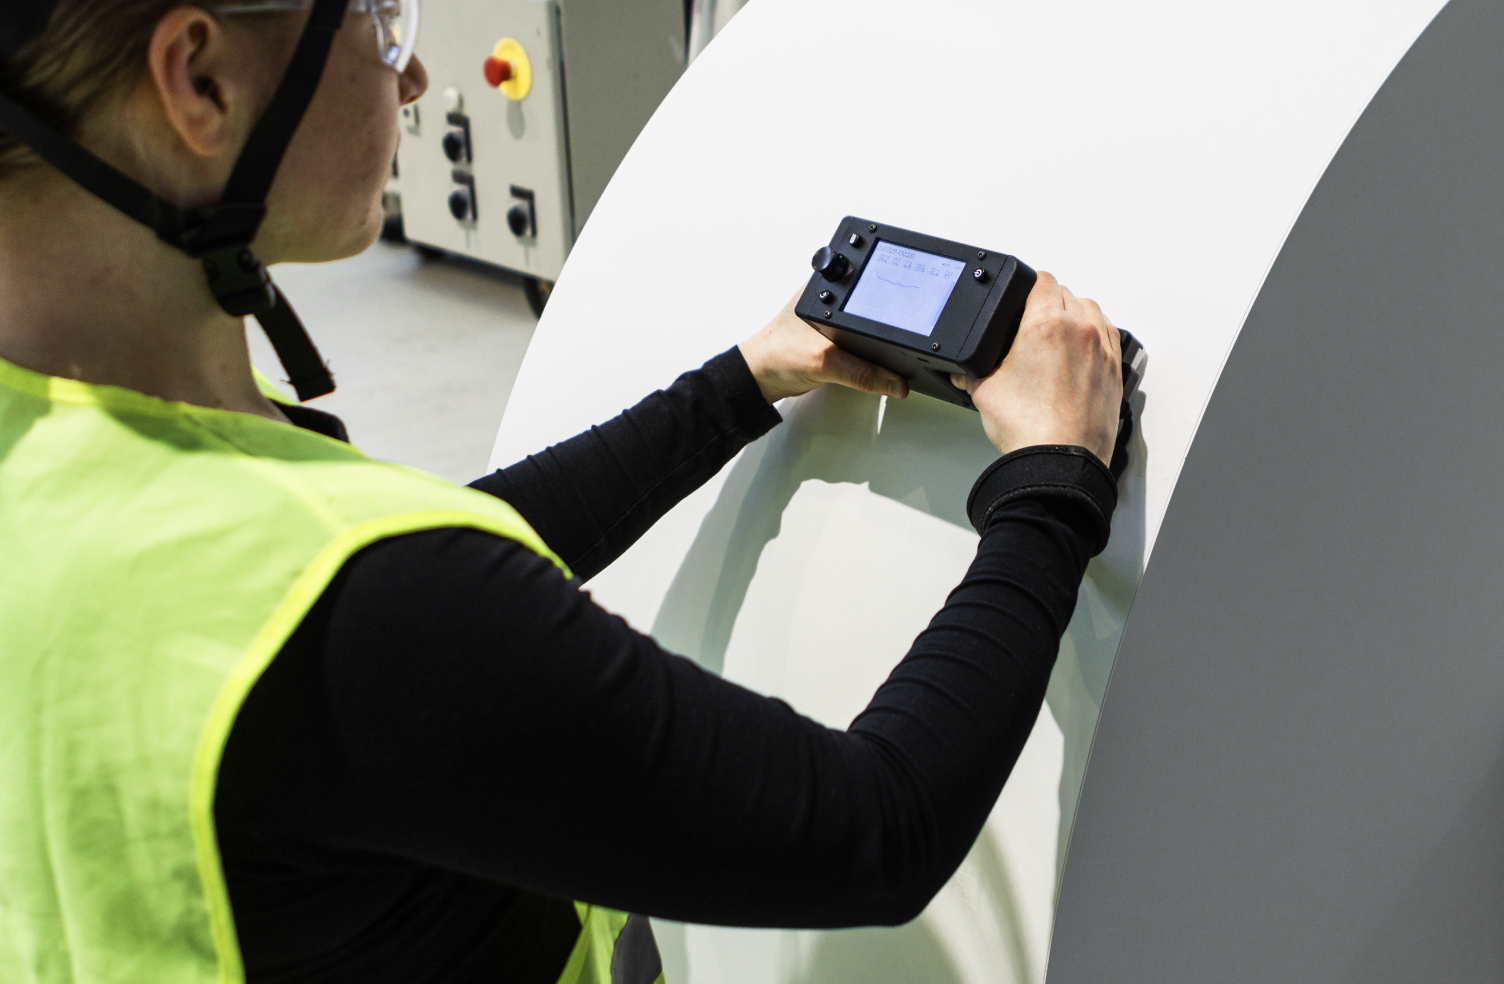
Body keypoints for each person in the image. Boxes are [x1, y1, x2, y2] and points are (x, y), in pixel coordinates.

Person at [0, 1, 1125, 982]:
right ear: (199, 80)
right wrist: (1052, 476)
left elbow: (413, 590)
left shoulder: (70, 446)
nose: (413, 74)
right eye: (376, 18)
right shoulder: (367, 612)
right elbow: (873, 830)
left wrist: (737, 386)